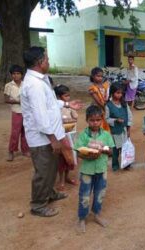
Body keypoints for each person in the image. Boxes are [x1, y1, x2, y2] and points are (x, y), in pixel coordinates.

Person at [21, 46, 82, 217]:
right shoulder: (34, 85)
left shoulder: (41, 80)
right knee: (43, 171)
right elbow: (40, 117)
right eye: (47, 59)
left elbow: (50, 104)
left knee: (52, 167)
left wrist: (68, 104)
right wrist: (53, 139)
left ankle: (50, 193)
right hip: (43, 139)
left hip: (51, 135)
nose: (48, 62)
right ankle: (38, 205)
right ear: (40, 62)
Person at [74, 105, 115, 233]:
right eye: (92, 120)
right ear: (87, 120)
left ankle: (96, 214)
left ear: (102, 120)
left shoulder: (106, 135)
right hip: (87, 170)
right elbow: (78, 152)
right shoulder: (83, 135)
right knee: (84, 195)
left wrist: (104, 150)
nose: (95, 123)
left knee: (100, 194)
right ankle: (82, 218)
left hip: (101, 170)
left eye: (98, 120)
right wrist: (88, 154)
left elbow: (112, 151)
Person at [54, 84, 78, 191]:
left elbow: (76, 117)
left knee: (70, 158)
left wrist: (71, 109)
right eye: (65, 96)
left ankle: (67, 177)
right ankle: (61, 180)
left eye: (69, 96)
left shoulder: (69, 106)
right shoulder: (56, 108)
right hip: (62, 136)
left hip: (71, 134)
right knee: (62, 159)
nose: (68, 98)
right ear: (59, 97)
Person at [4, 64, 30, 161]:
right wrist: (18, 101)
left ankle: (25, 150)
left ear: (22, 75)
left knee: (25, 132)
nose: (16, 75)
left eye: (18, 73)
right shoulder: (8, 85)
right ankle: (11, 151)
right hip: (16, 112)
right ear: (11, 75)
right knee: (15, 133)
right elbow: (6, 99)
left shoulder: (26, 84)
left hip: (26, 112)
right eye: (14, 74)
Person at [106, 83, 133, 171]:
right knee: (115, 149)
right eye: (117, 93)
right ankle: (115, 165)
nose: (120, 95)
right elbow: (106, 119)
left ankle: (126, 164)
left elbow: (129, 116)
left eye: (121, 93)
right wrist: (115, 120)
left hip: (124, 130)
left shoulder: (124, 104)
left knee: (125, 148)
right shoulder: (108, 105)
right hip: (115, 131)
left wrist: (129, 129)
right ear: (112, 93)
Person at [89, 67, 110, 131]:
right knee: (98, 123)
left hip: (105, 106)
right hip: (97, 108)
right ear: (93, 76)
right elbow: (98, 101)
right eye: (98, 76)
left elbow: (108, 95)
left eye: (101, 76)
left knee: (106, 123)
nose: (100, 78)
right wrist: (105, 108)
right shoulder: (92, 88)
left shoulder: (105, 86)